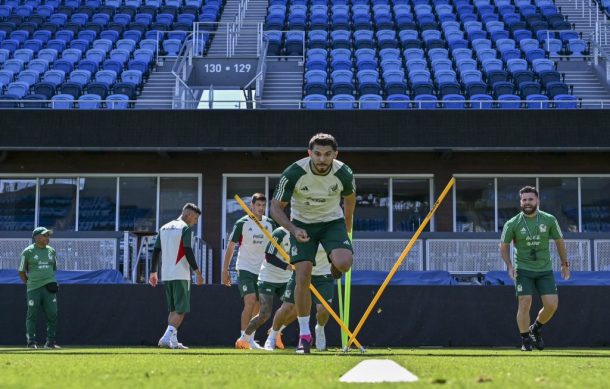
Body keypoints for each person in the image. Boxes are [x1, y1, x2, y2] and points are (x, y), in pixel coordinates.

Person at [270, 133, 356, 354]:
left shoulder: (344, 173)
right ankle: (304, 335)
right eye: (317, 154)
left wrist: (346, 227)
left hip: (332, 223)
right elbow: (275, 207)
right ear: (309, 153)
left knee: (345, 263)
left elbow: (350, 198)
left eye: (327, 154)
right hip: (302, 224)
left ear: (335, 155)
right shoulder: (294, 173)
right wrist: (293, 229)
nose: (321, 159)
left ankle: (333, 260)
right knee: (303, 276)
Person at [500, 186, 570, 352]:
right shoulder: (512, 223)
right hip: (523, 269)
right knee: (525, 302)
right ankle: (525, 340)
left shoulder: (549, 219)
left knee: (552, 305)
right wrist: (509, 266)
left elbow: (560, 241)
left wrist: (564, 264)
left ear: (537, 201)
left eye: (530, 199)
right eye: (524, 200)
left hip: (544, 269)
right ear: (520, 202)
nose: (527, 203)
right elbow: (503, 246)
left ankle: (535, 328)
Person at [222, 193, 275, 349]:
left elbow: (274, 247)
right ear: (251, 206)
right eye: (258, 205)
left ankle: (250, 338)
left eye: (263, 206)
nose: (261, 208)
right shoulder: (242, 223)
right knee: (250, 300)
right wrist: (225, 270)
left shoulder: (270, 224)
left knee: (258, 305)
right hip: (245, 268)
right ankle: (242, 337)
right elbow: (231, 246)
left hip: (263, 270)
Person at [149, 203, 204, 350]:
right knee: (181, 310)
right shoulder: (184, 229)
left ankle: (172, 341)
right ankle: (166, 338)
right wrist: (197, 272)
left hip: (166, 274)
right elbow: (188, 250)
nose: (196, 222)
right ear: (188, 215)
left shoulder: (164, 227)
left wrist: (153, 272)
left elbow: (155, 251)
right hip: (181, 274)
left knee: (173, 310)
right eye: (195, 218)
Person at [264, 245, 334, 352]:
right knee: (287, 307)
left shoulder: (329, 231)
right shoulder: (302, 230)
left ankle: (319, 329)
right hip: (301, 273)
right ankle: (272, 336)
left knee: (323, 310)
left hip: (324, 275)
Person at [235, 227, 293, 349]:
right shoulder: (280, 233)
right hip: (268, 278)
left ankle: (275, 332)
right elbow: (269, 256)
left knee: (296, 308)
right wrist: (287, 266)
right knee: (264, 314)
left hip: (287, 279)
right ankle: (244, 338)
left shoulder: (305, 234)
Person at [18, 227, 60, 349]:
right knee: (32, 315)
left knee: (53, 314)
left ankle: (50, 342)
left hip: (49, 288)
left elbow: (54, 268)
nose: (48, 238)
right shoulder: (27, 251)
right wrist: (29, 283)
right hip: (34, 288)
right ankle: (31, 342)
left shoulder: (52, 251)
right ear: (36, 237)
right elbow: (21, 271)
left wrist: (49, 279)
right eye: (45, 235)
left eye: (48, 235)